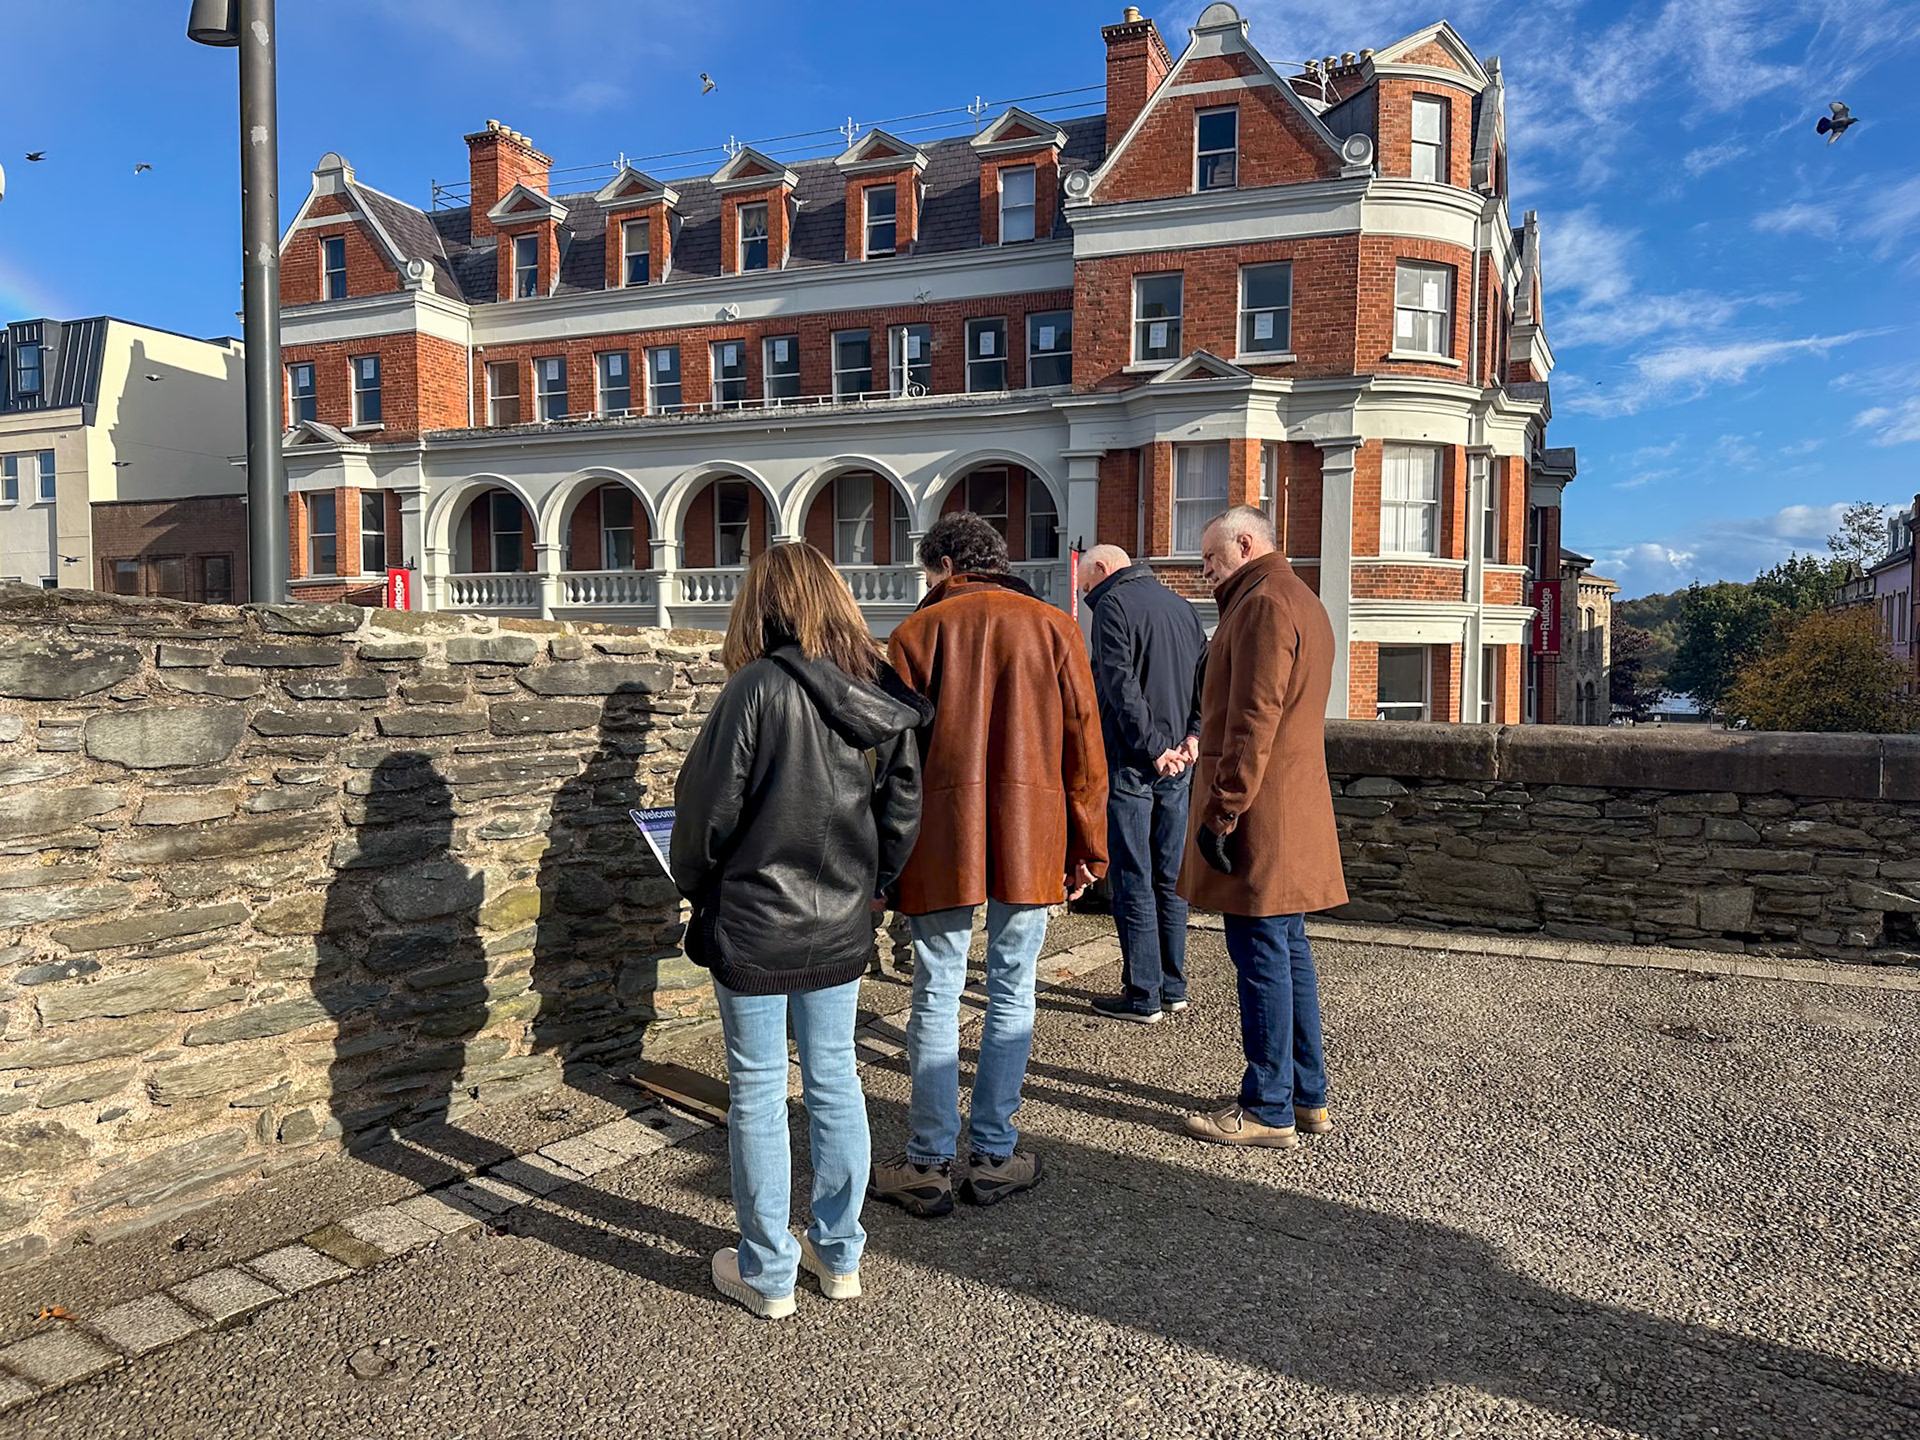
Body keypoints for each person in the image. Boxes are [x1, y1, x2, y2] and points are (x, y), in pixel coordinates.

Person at [672, 543, 930, 1317]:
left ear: (764, 604)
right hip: (842, 921)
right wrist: (876, 885)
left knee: (757, 1088)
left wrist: (695, 882)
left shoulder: (756, 688)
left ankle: (767, 1273)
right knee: (835, 1079)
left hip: (754, 921)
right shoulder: (881, 692)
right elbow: (905, 811)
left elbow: (703, 817)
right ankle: (841, 1256)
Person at [869, 511, 1108, 1216]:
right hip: (1032, 832)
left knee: (936, 992)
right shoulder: (1054, 627)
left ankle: (927, 1160)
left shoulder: (916, 633)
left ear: (943, 565)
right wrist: (1089, 843)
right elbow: (1084, 748)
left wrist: (885, 857)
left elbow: (889, 758)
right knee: (1012, 989)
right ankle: (996, 1155)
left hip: (940, 834)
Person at [1177, 506, 1347, 1150]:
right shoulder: (1296, 596)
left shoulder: (1263, 605)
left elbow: (1252, 722)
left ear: (1245, 545)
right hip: (1286, 808)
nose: (1205, 573)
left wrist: (1223, 811)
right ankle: (1306, 1097)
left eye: (1212, 560)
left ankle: (1268, 1106)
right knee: (1285, 950)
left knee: (1262, 957)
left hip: (1260, 815)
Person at [1078, 544, 1207, 1024]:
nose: (1089, 595)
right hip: (1179, 761)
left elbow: (1119, 685)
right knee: (1169, 876)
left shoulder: (1113, 605)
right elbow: (1204, 680)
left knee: (1133, 876)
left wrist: (1154, 748)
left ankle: (1142, 995)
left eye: (1087, 586)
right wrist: (1192, 735)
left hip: (1136, 761)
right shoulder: (1181, 606)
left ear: (1104, 570)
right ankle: (1173, 987)